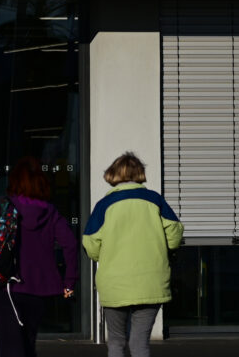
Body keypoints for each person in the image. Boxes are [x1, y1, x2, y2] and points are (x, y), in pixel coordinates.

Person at [0, 156, 79, 357]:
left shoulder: (0, 204)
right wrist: (69, 281)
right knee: (27, 344)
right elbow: (70, 244)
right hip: (39, 287)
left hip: (3, 284)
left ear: (14, 181)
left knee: (10, 346)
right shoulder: (50, 212)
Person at [83, 152, 184, 357]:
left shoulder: (104, 205)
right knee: (140, 344)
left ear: (113, 174)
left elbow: (90, 244)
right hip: (151, 280)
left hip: (114, 282)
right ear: (140, 173)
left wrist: (105, 256)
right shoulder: (155, 200)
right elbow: (174, 235)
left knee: (116, 342)